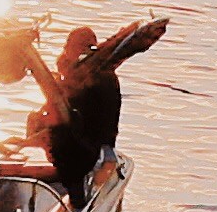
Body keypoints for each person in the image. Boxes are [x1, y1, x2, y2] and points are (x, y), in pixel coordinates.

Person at [29, 20, 143, 195]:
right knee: (36, 119)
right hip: (85, 141)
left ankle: (75, 189)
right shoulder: (84, 73)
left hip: (93, 148)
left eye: (69, 46)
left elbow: (71, 116)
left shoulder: (92, 78)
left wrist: (31, 139)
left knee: (46, 125)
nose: (65, 52)